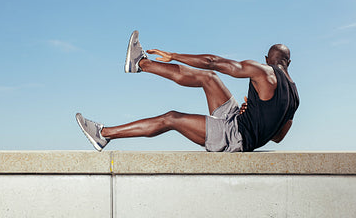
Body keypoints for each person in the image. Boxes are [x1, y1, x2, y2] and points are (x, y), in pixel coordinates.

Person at [76, 30, 299, 152]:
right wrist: (258, 116)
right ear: (289, 62)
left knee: (171, 118)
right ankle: (141, 63)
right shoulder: (295, 96)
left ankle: (104, 135)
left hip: (235, 137)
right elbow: (278, 137)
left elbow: (214, 61)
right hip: (239, 123)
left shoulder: (264, 71)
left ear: (267, 59)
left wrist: (174, 55)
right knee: (208, 78)